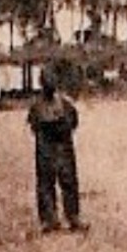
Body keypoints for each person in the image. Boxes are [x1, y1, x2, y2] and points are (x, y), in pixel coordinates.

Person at [26, 68, 83, 232]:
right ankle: (49, 219)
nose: (50, 84)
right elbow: (34, 125)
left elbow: (73, 122)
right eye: (46, 81)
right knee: (45, 183)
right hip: (45, 149)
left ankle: (73, 217)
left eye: (52, 80)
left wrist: (62, 133)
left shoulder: (66, 104)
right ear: (42, 84)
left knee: (69, 182)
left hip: (64, 147)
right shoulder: (36, 106)